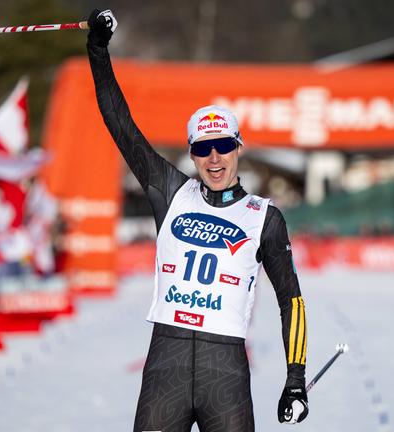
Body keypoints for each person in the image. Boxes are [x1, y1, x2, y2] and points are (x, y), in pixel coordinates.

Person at [86, 10, 309, 431]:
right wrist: (98, 51)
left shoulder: (265, 217)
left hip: (223, 373)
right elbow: (121, 125)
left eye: (223, 145)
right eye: (203, 148)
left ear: (238, 147)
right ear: (191, 153)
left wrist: (295, 380)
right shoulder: (170, 192)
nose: (214, 157)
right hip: (164, 367)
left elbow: (291, 302)